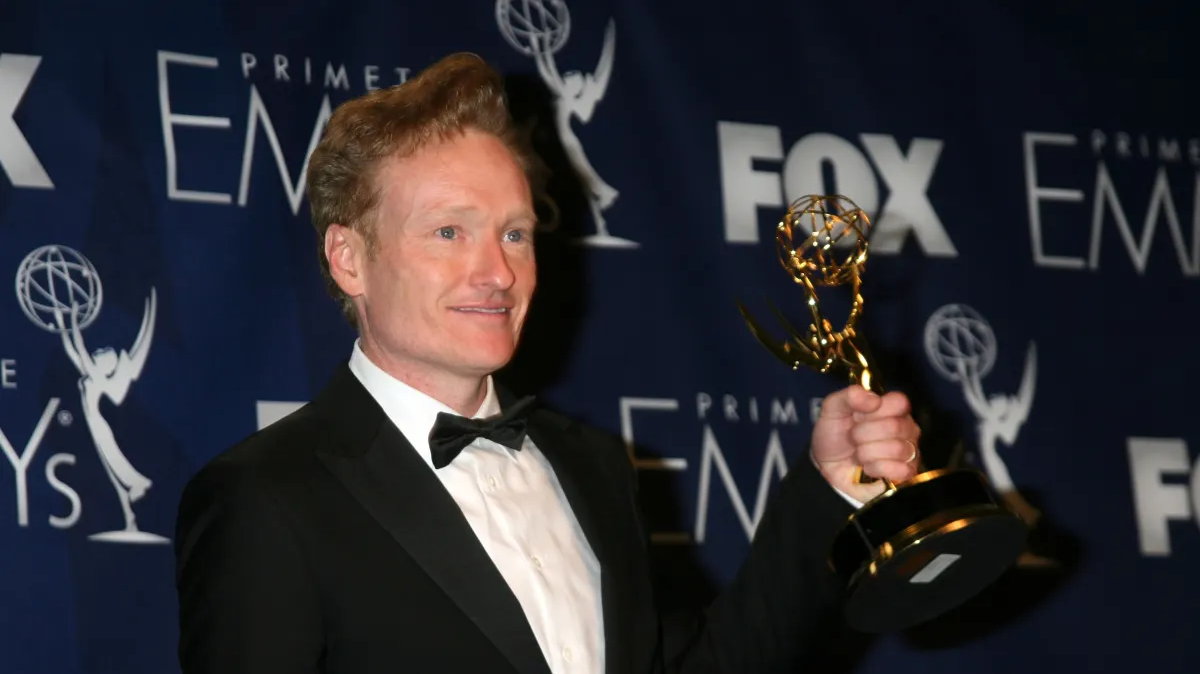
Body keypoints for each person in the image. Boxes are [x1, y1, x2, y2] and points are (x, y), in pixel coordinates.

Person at [173, 52, 922, 674]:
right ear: (349, 259)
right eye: (447, 232)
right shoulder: (265, 498)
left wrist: (832, 491)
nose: (496, 271)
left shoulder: (595, 469)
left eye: (516, 234)